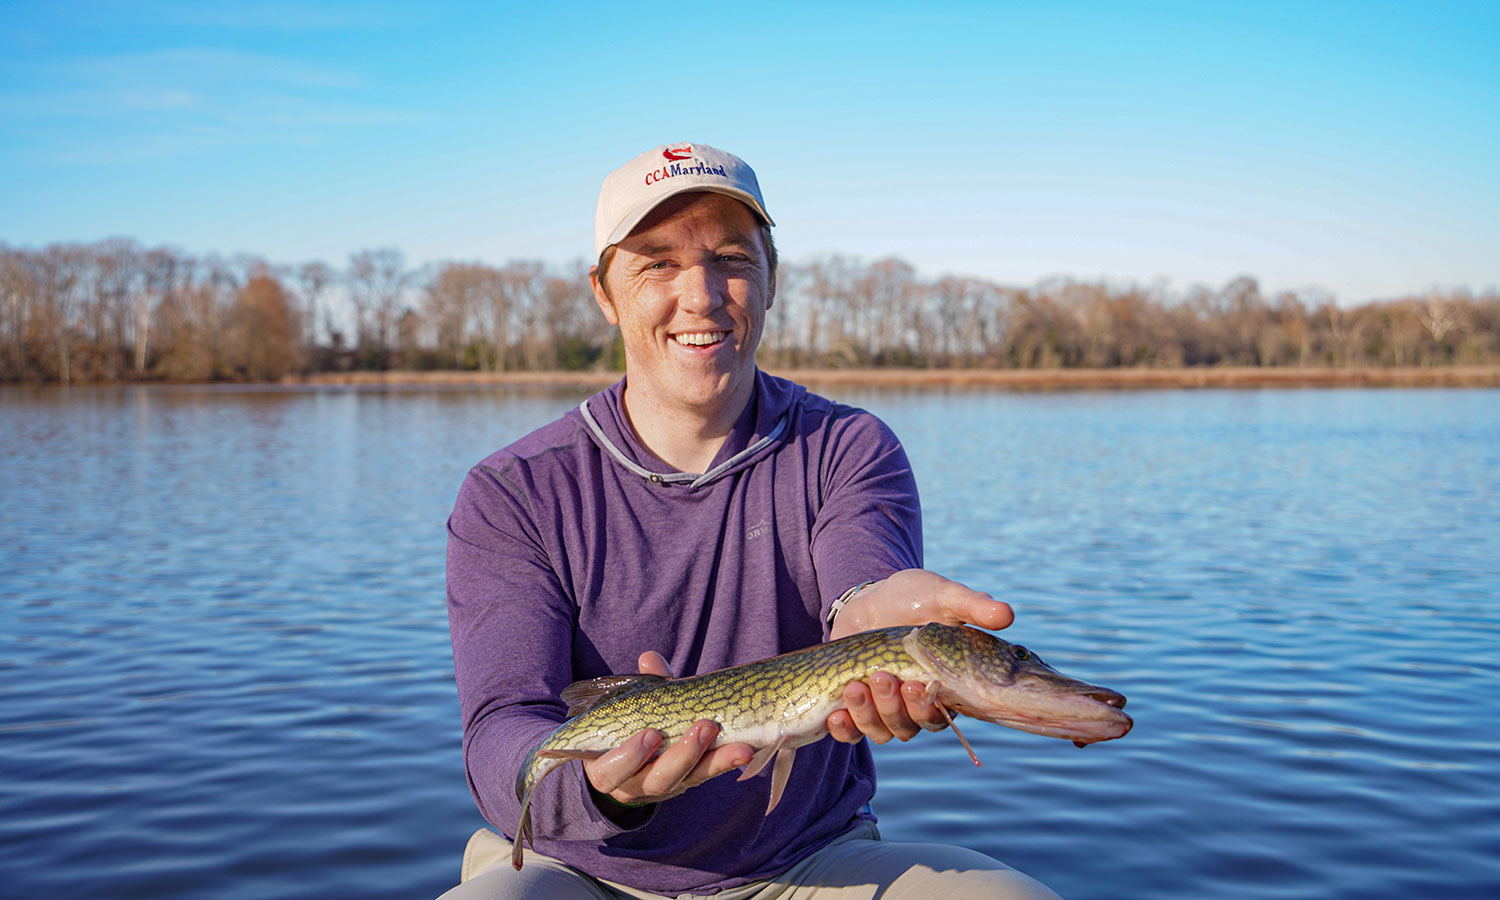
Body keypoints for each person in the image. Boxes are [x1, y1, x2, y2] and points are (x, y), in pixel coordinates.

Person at [439, 143, 1060, 899]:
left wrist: (869, 617)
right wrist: (606, 790)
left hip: (806, 865)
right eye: (658, 263)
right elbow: (504, 736)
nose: (701, 295)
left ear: (771, 280)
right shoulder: (512, 491)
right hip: (581, 871)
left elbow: (859, 583)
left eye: (731, 257)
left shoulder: (847, 447)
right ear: (605, 292)